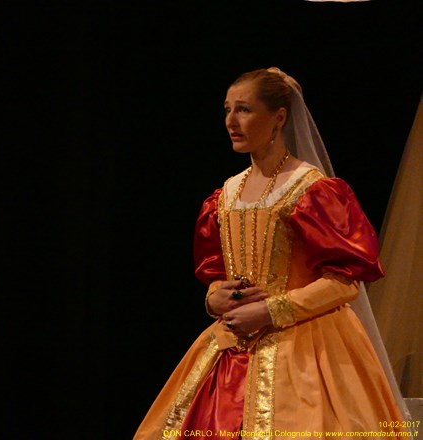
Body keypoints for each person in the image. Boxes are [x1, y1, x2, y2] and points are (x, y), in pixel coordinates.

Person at [134, 68, 410, 439]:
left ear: (279, 117)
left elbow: (344, 282)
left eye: (244, 109)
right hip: (231, 347)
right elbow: (216, 274)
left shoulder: (312, 190)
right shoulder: (224, 195)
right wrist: (215, 297)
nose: (231, 121)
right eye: (228, 109)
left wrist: (270, 310)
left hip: (308, 348)